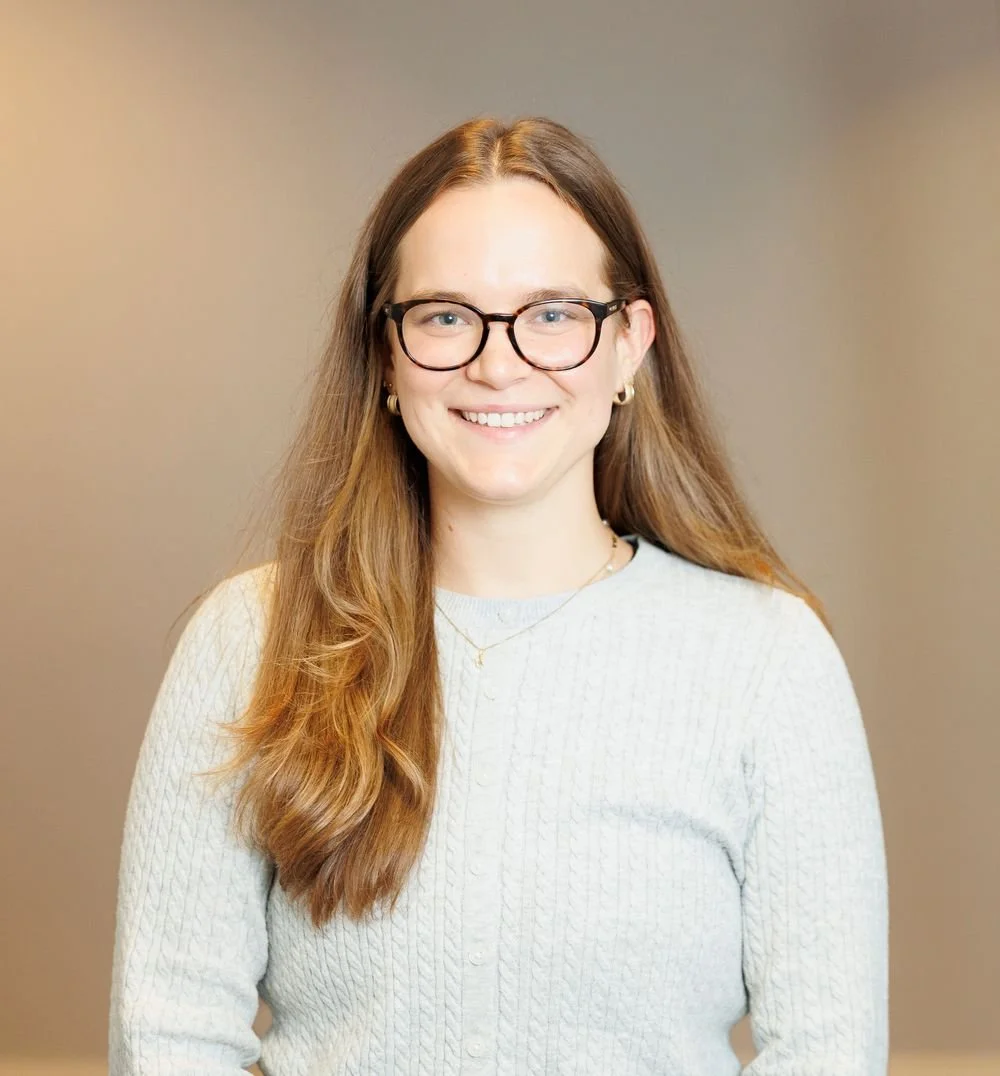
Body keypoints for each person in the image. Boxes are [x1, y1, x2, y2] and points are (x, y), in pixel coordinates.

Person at [108, 115, 889, 1075]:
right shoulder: (249, 641)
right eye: (445, 316)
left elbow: (827, 1050)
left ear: (628, 345)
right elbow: (169, 1035)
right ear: (385, 356)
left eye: (554, 314)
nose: (498, 360)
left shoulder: (768, 656)